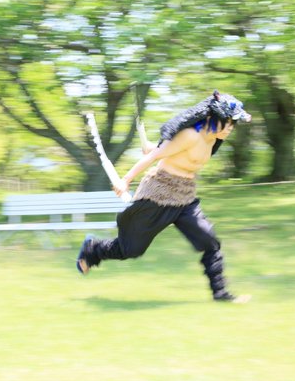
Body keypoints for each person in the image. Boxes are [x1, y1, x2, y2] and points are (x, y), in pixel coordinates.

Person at [76, 90, 252, 303]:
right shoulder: (190, 135)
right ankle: (93, 249)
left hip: (185, 197)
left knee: (209, 241)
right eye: (229, 122)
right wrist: (126, 180)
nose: (231, 128)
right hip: (159, 194)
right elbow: (155, 156)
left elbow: (168, 150)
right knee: (131, 249)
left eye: (233, 124)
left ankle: (221, 294)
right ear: (215, 118)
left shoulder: (212, 139)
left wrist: (152, 146)